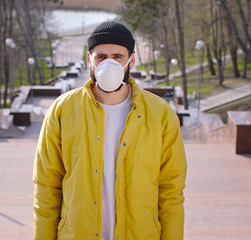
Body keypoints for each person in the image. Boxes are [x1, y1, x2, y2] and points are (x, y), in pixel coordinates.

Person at [33, 20, 187, 240]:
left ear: (131, 60)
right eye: (101, 57)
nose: (109, 64)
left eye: (117, 57)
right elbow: (46, 188)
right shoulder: (62, 111)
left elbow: (171, 193)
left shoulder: (161, 115)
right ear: (89, 60)